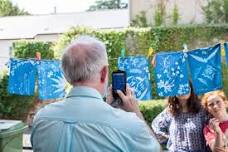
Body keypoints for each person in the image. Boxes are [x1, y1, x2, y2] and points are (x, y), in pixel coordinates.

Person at [30, 35, 161, 152]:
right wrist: (136, 114)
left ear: (66, 75)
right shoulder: (129, 124)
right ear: (104, 72)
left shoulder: (41, 119)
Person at [151, 82, 209, 152]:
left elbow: (211, 129)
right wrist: (169, 139)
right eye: (179, 88)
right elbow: (155, 127)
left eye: (186, 87)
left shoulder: (201, 110)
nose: (183, 90)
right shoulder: (170, 111)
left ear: (191, 90)